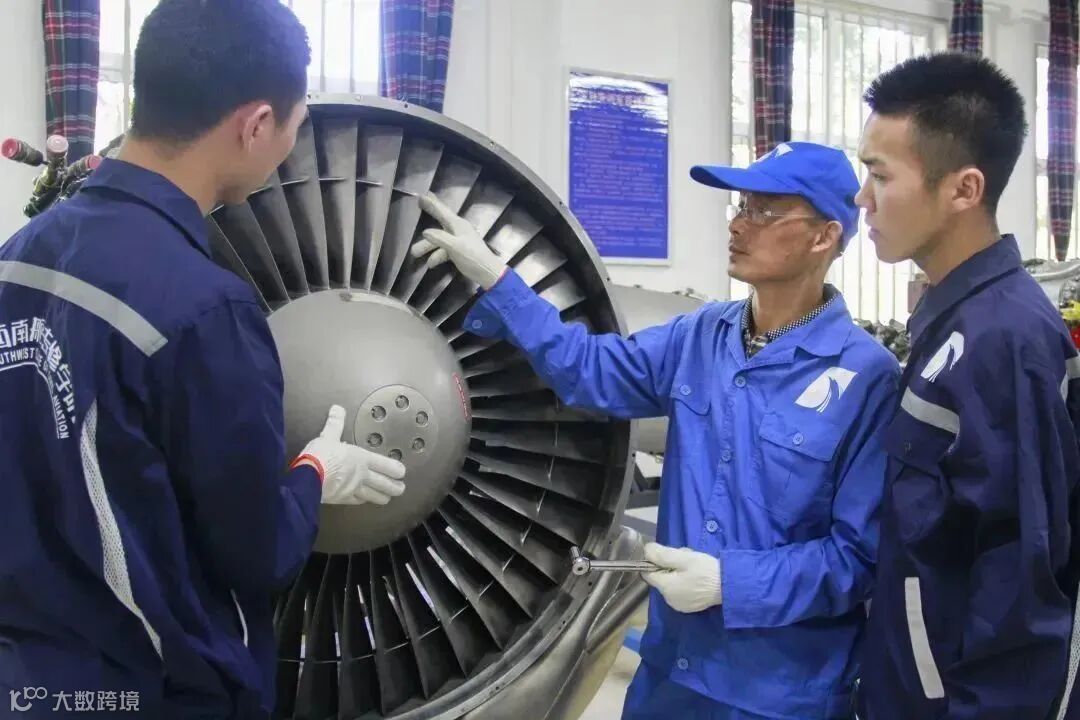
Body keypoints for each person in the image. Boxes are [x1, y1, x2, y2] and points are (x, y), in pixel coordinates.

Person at [0, 1, 406, 718]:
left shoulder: (18, 257)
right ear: (256, 125)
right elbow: (257, 551)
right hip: (156, 687)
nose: (290, 147)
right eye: (295, 127)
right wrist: (315, 473)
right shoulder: (206, 312)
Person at [412, 142, 900, 719]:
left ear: (824, 237)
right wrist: (500, 281)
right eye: (741, 205)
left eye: (764, 210)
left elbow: (857, 559)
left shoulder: (866, 378)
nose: (738, 224)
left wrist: (729, 583)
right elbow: (591, 371)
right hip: (670, 674)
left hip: (776, 694)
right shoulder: (701, 335)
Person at [855, 52, 1080, 719]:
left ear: (963, 189)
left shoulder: (1002, 340)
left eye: (879, 175)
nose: (863, 198)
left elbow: (1021, 598)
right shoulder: (951, 320)